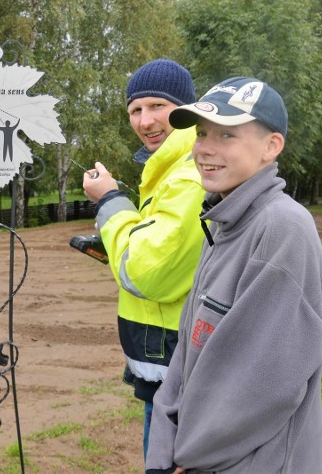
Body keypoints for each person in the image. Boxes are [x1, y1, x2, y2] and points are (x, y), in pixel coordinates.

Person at [145, 77, 322, 473]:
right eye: (201, 133)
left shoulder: (281, 229)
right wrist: (162, 452)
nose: (205, 149)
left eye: (227, 134)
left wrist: (190, 456)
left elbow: (258, 387)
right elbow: (188, 352)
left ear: (271, 146)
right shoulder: (224, 222)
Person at [81, 58, 205, 464]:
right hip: (164, 358)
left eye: (157, 106)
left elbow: (145, 272)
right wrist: (115, 247)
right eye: (135, 110)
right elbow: (161, 252)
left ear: (185, 110)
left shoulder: (187, 176)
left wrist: (112, 201)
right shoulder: (168, 171)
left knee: (167, 460)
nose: (145, 120)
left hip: (175, 362)